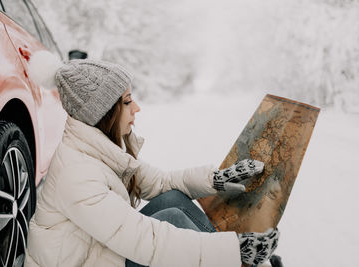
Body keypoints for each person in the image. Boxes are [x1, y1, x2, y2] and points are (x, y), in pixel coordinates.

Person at [25, 51, 279, 267]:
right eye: (127, 102)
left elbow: (161, 182)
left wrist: (217, 179)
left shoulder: (99, 149)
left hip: (97, 255)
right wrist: (233, 250)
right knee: (172, 222)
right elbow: (147, 240)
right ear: (103, 114)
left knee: (172, 198)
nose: (136, 108)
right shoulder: (77, 173)